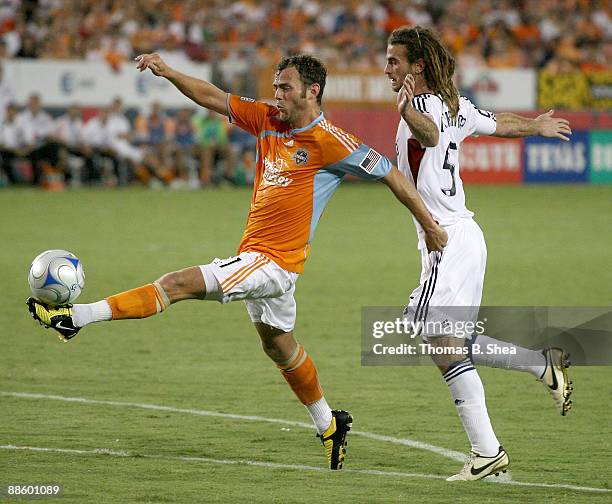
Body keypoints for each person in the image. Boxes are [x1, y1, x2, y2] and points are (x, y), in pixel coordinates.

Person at [27, 53, 448, 470]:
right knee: (279, 346)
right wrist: (169, 71)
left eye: (285, 87)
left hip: (271, 264)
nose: (276, 94)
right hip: (264, 261)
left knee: (176, 284)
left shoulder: (331, 141)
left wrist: (429, 226)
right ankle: (328, 423)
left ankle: (76, 317)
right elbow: (213, 97)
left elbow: (392, 175)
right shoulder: (267, 119)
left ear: (312, 91)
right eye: (275, 86)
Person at [384, 26, 573, 481]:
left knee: (428, 331)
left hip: (446, 238)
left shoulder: (426, 109)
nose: (387, 68)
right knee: (444, 338)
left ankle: (487, 451)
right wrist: (535, 127)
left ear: (418, 66)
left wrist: (408, 110)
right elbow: (499, 122)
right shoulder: (456, 107)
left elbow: (428, 137)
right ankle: (538, 365)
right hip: (460, 237)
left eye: (394, 60)